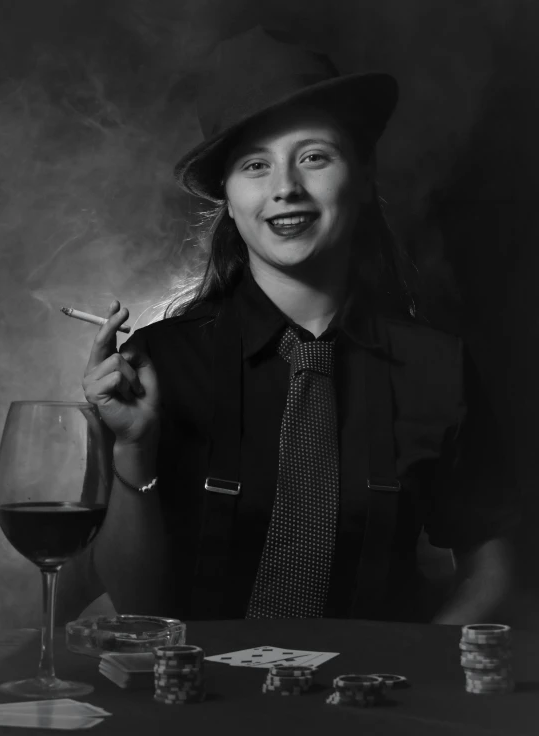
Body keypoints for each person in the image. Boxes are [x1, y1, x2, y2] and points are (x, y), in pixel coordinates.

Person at [82, 26, 519, 623]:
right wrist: (134, 446)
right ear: (229, 200)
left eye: (314, 156)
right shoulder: (156, 365)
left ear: (364, 178)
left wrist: (415, 672)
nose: (286, 188)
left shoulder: (438, 368)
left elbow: (491, 565)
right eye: (255, 165)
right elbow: (137, 607)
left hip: (374, 704)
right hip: (197, 703)